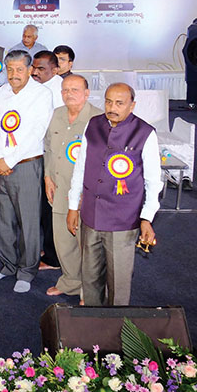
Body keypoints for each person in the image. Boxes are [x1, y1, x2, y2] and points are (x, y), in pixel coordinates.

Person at [67, 83, 161, 306]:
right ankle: (92, 325)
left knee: (118, 283)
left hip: (123, 220)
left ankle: (116, 331)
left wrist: (147, 218)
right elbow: (80, 167)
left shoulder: (145, 133)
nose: (112, 107)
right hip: (91, 215)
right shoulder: (93, 125)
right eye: (108, 101)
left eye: (119, 103)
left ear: (132, 105)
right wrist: (73, 206)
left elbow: (153, 181)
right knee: (90, 277)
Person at [0, 49, 54, 293]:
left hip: (25, 165)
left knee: (28, 221)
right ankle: (7, 265)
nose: (14, 74)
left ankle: (26, 271)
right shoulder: (2, 92)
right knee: (2, 219)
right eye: (10, 69)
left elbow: (37, 131)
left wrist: (10, 160)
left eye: (20, 69)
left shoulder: (41, 94)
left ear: (30, 70)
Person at [43, 74, 102, 301]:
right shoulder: (57, 115)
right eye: (65, 90)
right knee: (63, 241)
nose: (69, 94)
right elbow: (48, 148)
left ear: (87, 94)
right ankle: (70, 282)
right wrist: (47, 177)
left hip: (86, 194)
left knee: (86, 245)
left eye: (75, 90)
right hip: (58, 190)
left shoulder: (97, 119)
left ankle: (89, 290)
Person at [32, 50, 65, 270]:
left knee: (53, 206)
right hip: (41, 152)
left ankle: (54, 258)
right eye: (33, 68)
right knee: (44, 206)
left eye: (41, 69)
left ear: (55, 70)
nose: (34, 72)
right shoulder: (38, 87)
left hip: (55, 157)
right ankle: (50, 247)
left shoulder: (60, 91)